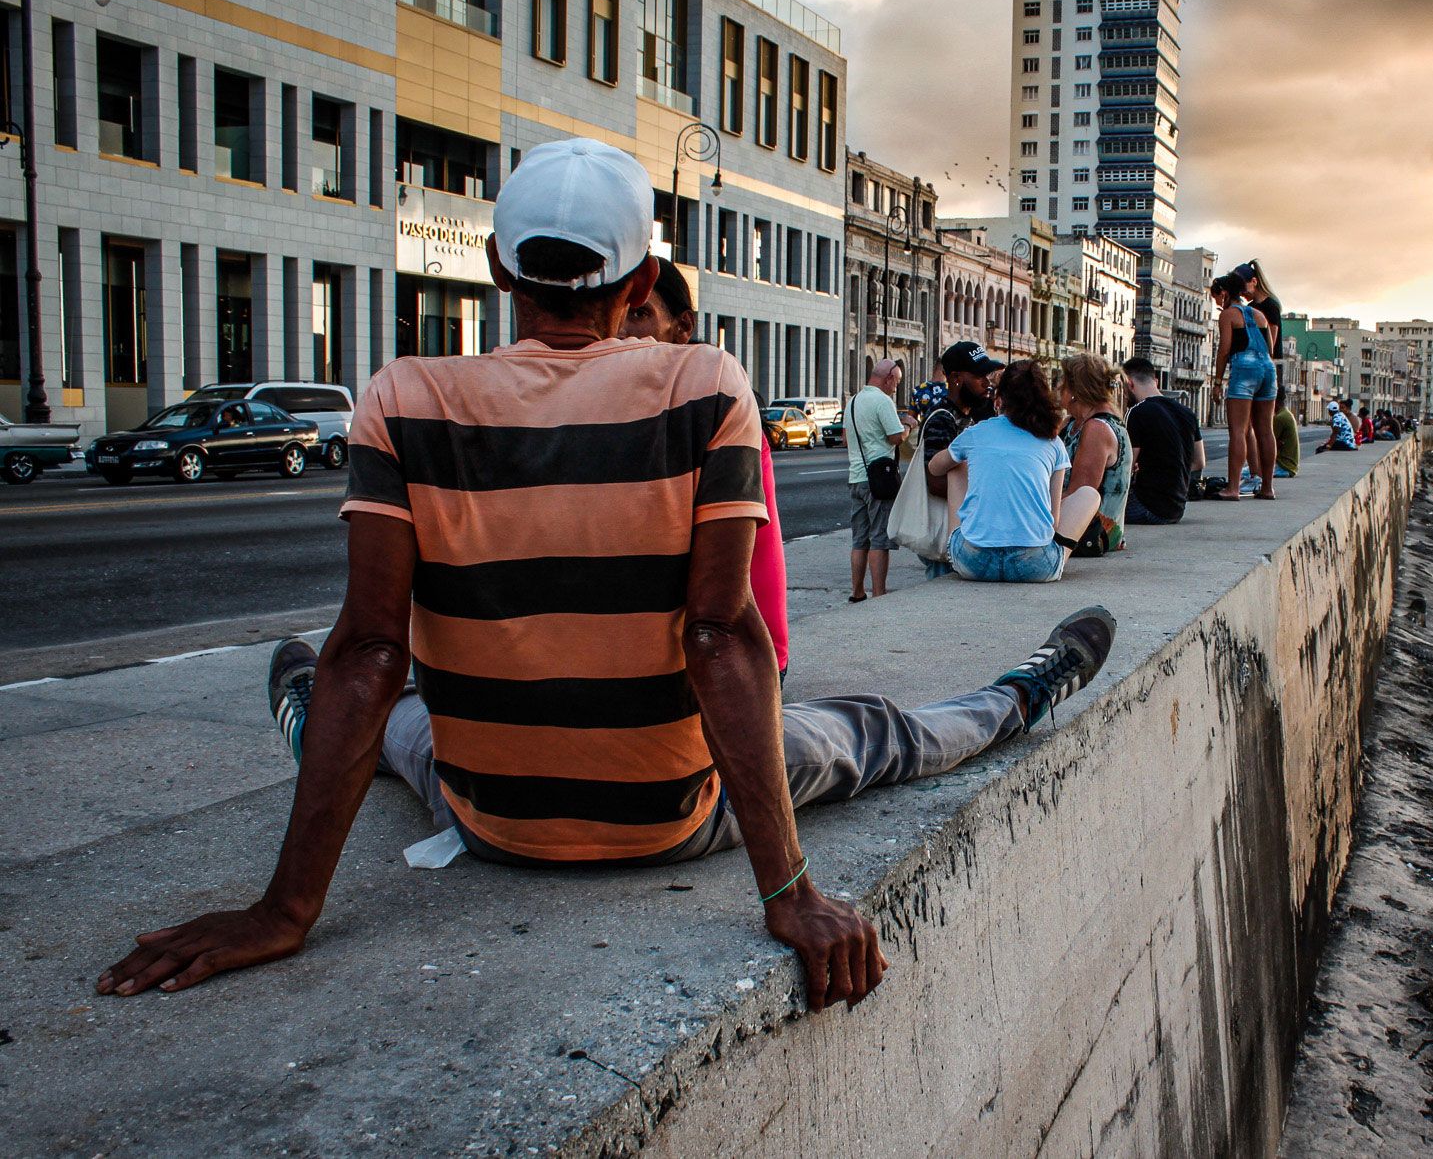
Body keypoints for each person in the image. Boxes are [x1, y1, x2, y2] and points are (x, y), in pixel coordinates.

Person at [94, 138, 1119, 1016]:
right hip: (664, 814)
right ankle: (1022, 691)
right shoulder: (702, 385)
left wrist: (283, 912)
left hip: (492, 815)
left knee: (402, 730)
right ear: (639, 284)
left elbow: (367, 645)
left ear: (499, 267)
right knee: (866, 733)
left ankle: (298, 709)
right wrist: (790, 888)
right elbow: (720, 637)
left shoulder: (402, 397)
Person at [624, 258, 789, 677]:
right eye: (619, 315)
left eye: (640, 314)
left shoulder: (707, 403)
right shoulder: (652, 402)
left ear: (682, 326)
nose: (624, 332)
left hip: (737, 655)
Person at [927, 360, 1100, 583]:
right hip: (1035, 567)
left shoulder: (977, 432)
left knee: (956, 464)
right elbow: (1053, 521)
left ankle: (958, 540)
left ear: (999, 399)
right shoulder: (1052, 441)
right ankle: (1059, 558)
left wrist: (958, 454)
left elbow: (934, 467)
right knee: (1089, 495)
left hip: (973, 563)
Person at [918, 341, 1004, 577]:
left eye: (988, 376)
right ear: (956, 377)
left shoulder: (971, 416)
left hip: (962, 528)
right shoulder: (942, 419)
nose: (987, 384)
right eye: (979, 377)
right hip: (944, 529)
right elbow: (934, 481)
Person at [1210, 272, 1279, 501]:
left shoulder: (1228, 315)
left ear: (1225, 293)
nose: (1218, 303)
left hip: (1244, 369)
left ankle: (1233, 488)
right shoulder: (1259, 315)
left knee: (1238, 431)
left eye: (1217, 298)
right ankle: (1267, 488)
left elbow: (1224, 350)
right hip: (1267, 369)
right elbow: (1270, 347)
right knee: (1265, 430)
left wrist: (1218, 382)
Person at [1055, 354, 1132, 555]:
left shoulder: (1097, 428)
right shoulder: (1072, 423)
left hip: (1089, 533)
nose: (1057, 387)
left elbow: (1079, 494)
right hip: (1076, 527)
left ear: (1075, 390)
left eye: (1062, 381)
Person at [846, 360, 909, 601]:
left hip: (856, 477)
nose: (896, 388)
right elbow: (895, 437)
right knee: (879, 538)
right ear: (889, 378)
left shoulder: (853, 401)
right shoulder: (883, 401)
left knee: (859, 539)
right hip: (878, 481)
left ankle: (857, 592)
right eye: (897, 382)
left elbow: (845, 439)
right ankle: (879, 593)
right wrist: (908, 426)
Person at [1121, 357, 1202, 525]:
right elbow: (1199, 462)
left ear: (1129, 384)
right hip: (1176, 509)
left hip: (1147, 507)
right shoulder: (1187, 413)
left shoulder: (1136, 412)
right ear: (1155, 381)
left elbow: (1126, 467)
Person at [1273, 403, 1300, 478]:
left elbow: (1271, 443)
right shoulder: (1286, 413)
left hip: (1283, 466)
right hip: (1291, 465)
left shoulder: (1280, 418)